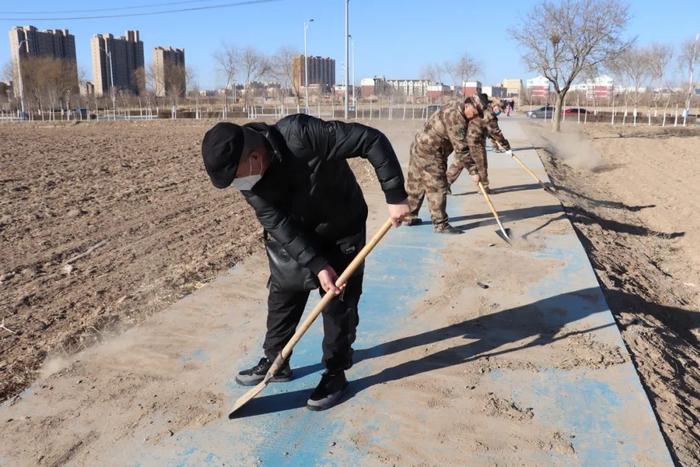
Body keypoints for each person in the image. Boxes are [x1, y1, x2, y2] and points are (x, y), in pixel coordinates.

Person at [201, 114, 410, 411]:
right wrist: (315, 264)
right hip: (296, 232)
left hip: (341, 225)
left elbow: (371, 140)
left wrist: (395, 195)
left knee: (338, 303)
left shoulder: (301, 134)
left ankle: (336, 371)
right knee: (283, 291)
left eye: (236, 176)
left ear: (255, 157)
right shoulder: (249, 182)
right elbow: (276, 223)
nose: (239, 185)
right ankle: (276, 360)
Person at [403, 94, 488, 234]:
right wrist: (474, 171)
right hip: (431, 153)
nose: (475, 116)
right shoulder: (457, 119)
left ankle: (408, 216)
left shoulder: (455, 105)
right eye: (476, 112)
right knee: (438, 187)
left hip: (419, 146)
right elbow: (461, 149)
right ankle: (441, 224)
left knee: (416, 183)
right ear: (468, 105)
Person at [445, 95, 512, 192]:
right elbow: (496, 133)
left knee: (459, 162)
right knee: (481, 165)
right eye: (499, 109)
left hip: (463, 140)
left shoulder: (478, 109)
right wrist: (506, 147)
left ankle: (446, 184)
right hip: (476, 142)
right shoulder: (488, 115)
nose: (499, 111)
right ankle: (484, 188)